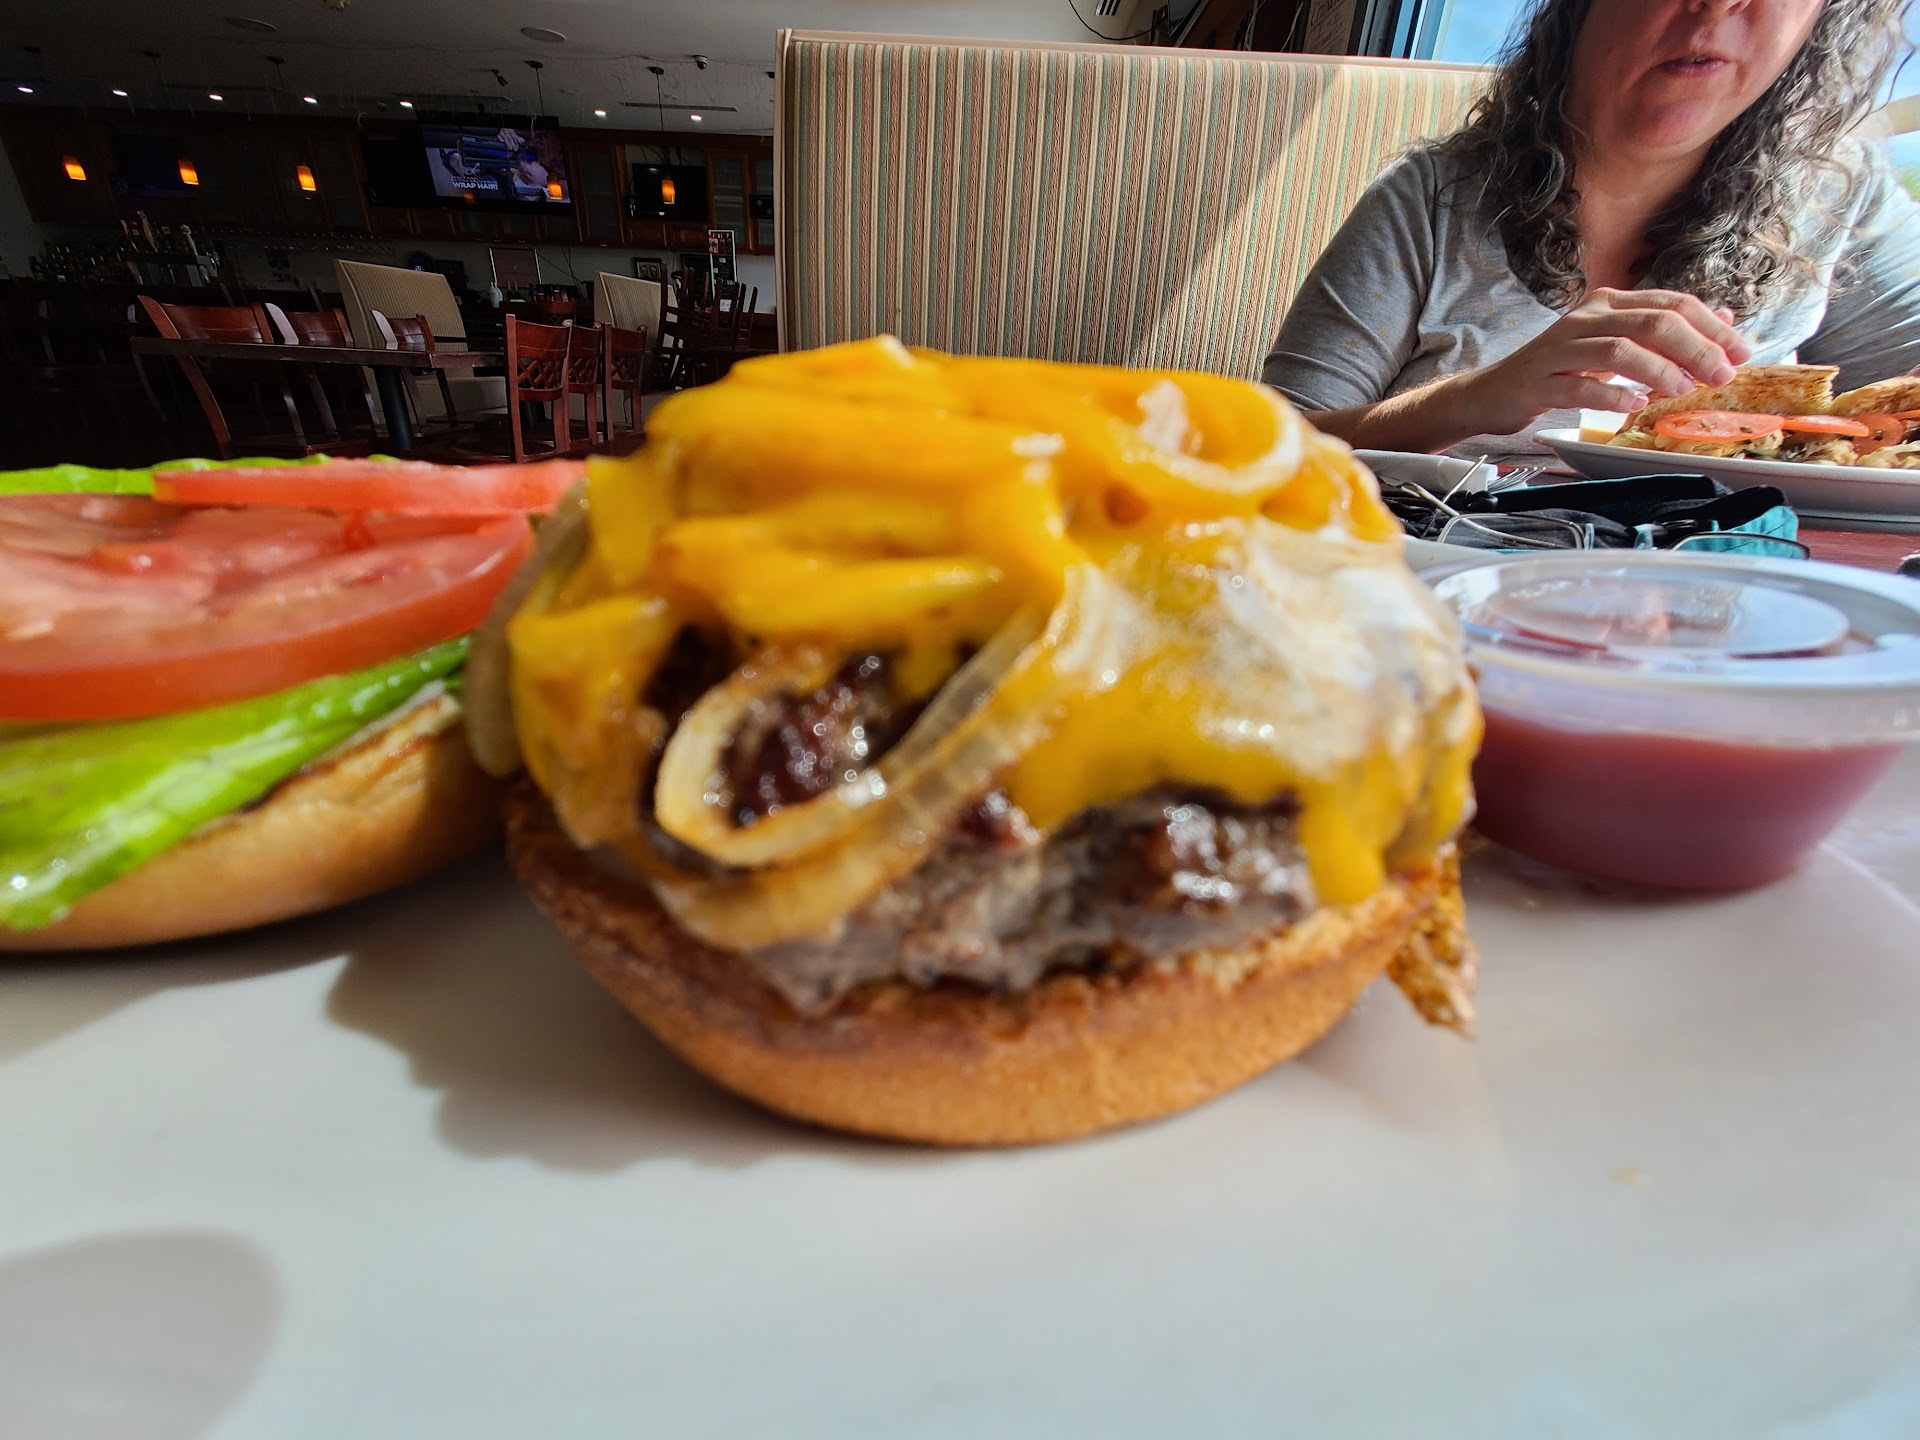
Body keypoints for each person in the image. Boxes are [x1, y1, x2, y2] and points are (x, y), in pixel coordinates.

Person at [1263, 0, 1920, 458]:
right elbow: (1266, 446)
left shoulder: (1840, 197)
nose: (1719, 4)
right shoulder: (1433, 200)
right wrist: (1470, 399)